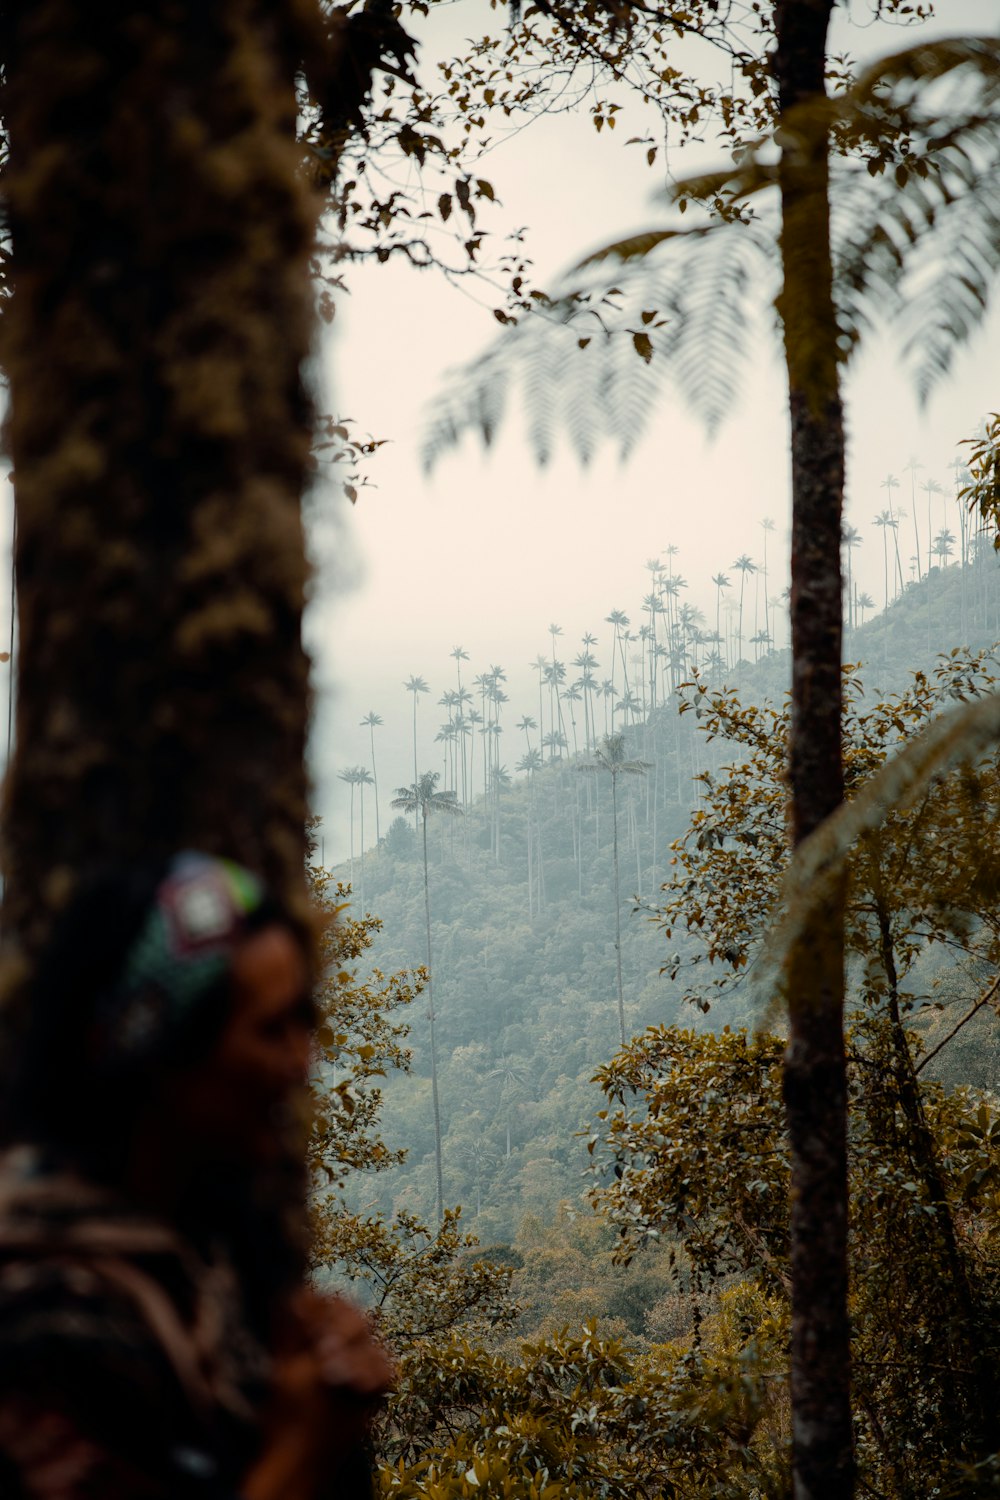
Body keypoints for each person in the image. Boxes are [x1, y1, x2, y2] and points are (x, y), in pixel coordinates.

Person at [0, 852, 393, 1499]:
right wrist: (301, 1454)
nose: (302, 1063)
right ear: (159, 1054)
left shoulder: (208, 1260)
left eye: (305, 1023)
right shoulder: (45, 1327)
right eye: (270, 1031)